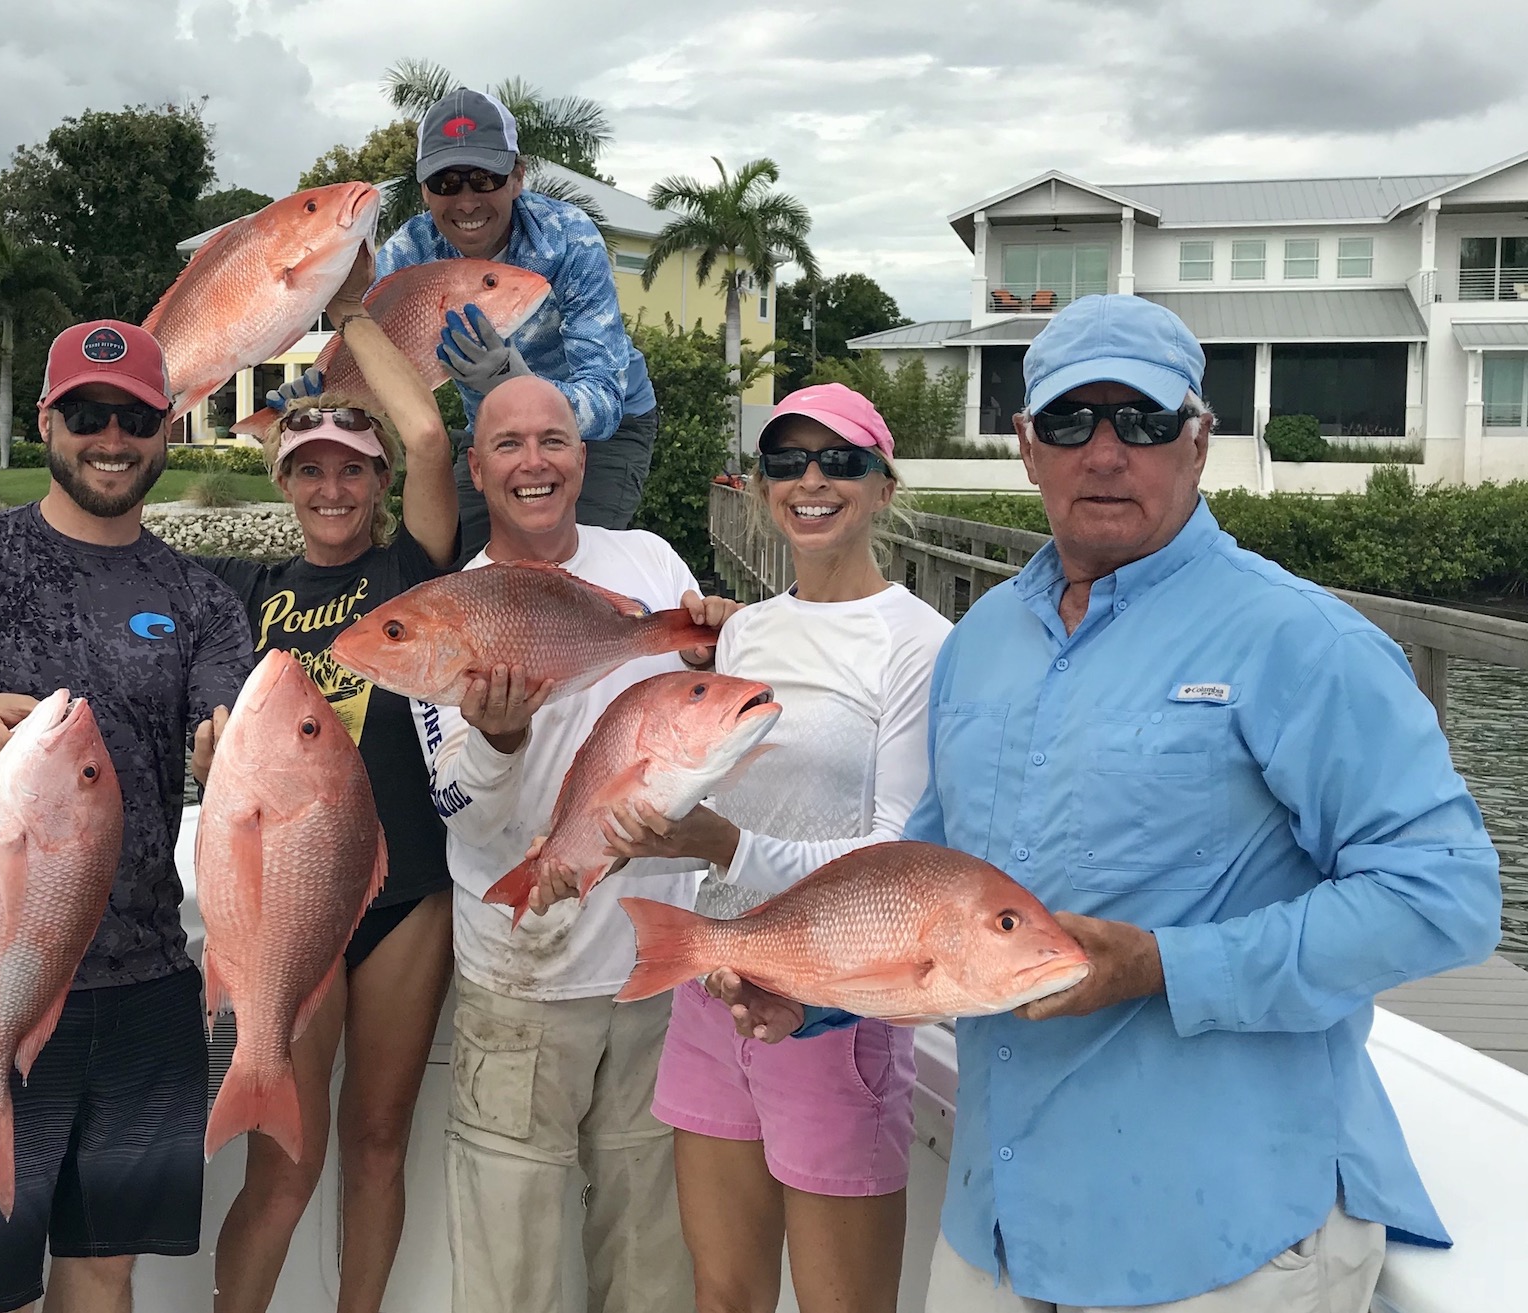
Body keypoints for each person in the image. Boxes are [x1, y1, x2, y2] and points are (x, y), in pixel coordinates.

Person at [735, 294, 1503, 1312]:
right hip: (997, 1220)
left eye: (1139, 421)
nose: (1103, 452)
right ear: (1025, 445)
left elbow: (1443, 894)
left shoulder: (1298, 638)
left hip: (1218, 1231)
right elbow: (923, 884)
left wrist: (1162, 963)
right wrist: (816, 988)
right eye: (1068, 421)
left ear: (1197, 440)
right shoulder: (984, 639)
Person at [0, 320, 255, 1313]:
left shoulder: (200, 597)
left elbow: (228, 715)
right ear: (47, 420)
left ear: (168, 429)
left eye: (135, 416)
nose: (110, 436)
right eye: (86, 412)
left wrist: (225, 750)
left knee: (103, 1265)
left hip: (147, 978)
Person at [529, 382, 953, 1313]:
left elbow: (890, 867)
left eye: (840, 461)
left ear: (885, 485)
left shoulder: (921, 643)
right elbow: (712, 805)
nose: (811, 480)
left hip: (832, 1010)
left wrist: (721, 843)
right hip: (712, 992)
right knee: (722, 1297)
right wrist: (621, 842)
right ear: (762, 485)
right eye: (786, 462)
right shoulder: (748, 630)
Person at [414, 373, 728, 1313]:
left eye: (553, 439)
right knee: (508, 1264)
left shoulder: (652, 565)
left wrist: (721, 646)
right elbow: (460, 810)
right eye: (508, 445)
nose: (534, 462)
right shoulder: (449, 611)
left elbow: (715, 727)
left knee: (649, 1258)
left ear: (584, 455)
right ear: (476, 468)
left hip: (651, 969)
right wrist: (502, 741)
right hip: (520, 981)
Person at [195, 250, 460, 1313]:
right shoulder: (247, 595)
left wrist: (352, 313)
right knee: (286, 1160)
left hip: (406, 894)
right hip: (290, 904)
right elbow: (201, 716)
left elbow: (435, 432)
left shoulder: (412, 574)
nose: (332, 486)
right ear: (285, 483)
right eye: (309, 468)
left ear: (381, 483)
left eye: (353, 468)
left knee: (379, 1142)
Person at [376, 86, 659, 562]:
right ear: (425, 189)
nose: (466, 202)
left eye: (484, 179)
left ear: (517, 177)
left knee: (559, 562)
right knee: (456, 564)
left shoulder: (569, 239)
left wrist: (515, 382)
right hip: (492, 426)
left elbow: (605, 402)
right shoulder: (407, 256)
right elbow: (366, 346)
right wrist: (322, 388)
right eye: (446, 184)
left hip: (602, 432)